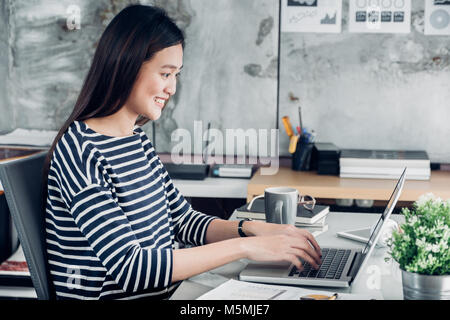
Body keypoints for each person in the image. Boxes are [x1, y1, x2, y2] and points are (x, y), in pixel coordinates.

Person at [43, 4, 322, 300]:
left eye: (176, 75)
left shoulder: (135, 141)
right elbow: (131, 267)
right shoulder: (79, 151)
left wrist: (253, 229)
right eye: (165, 74)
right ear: (127, 65)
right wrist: (247, 246)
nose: (173, 88)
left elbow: (183, 221)